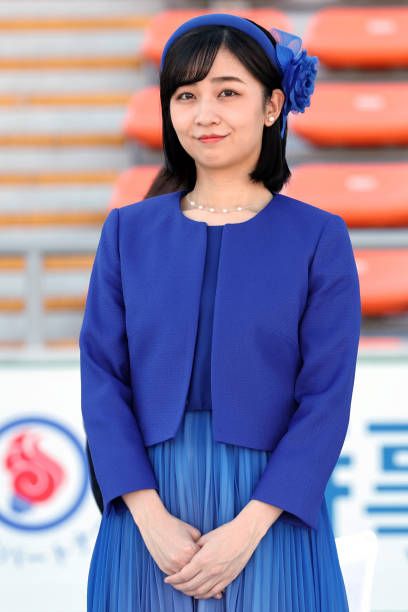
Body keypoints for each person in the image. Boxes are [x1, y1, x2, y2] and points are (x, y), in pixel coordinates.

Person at [79, 13, 361, 611]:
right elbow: (102, 381)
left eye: (227, 92)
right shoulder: (128, 232)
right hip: (149, 513)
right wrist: (148, 517)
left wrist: (248, 531)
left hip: (271, 515)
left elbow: (326, 400)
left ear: (272, 106)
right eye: (186, 95)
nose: (204, 113)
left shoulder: (318, 237)